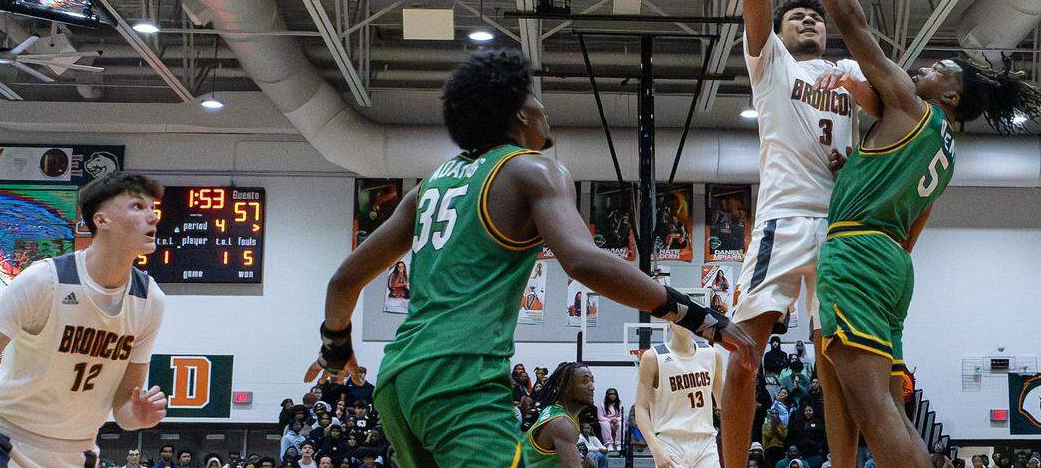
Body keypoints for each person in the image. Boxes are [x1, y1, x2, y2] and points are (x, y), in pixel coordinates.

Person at [305, 50, 754, 468]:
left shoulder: (428, 188)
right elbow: (584, 262)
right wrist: (700, 318)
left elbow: (343, 281)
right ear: (519, 111)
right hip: (459, 379)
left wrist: (334, 350)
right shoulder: (531, 169)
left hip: (396, 379)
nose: (545, 109)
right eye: (537, 98)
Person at [763, 0, 1041, 468]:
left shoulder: (912, 105)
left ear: (952, 93)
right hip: (894, 267)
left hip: (858, 254)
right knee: (881, 398)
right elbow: (916, 226)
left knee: (873, 412)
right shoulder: (943, 151)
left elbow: (851, 20)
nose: (924, 67)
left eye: (938, 68)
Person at [721, 0, 883, 468]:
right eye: (798, 16)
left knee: (836, 367)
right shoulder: (771, 66)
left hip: (842, 230)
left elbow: (886, 105)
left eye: (814, 16)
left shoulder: (846, 71)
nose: (810, 19)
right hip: (785, 221)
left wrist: (862, 89)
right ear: (778, 34)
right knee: (743, 353)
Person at [0, 172, 169, 468]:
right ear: (101, 220)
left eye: (152, 208)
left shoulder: (149, 300)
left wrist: (138, 416)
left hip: (78, 452)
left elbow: (123, 408)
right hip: (6, 443)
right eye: (137, 206)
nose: (153, 217)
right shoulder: (45, 281)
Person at [636, 322, 727, 468]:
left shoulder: (712, 354)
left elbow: (724, 405)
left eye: (688, 316)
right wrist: (655, 448)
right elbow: (640, 408)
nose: (683, 320)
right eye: (677, 315)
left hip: (706, 443)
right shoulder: (653, 357)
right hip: (670, 443)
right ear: (668, 320)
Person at [519, 362, 594, 468]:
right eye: (585, 381)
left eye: (592, 381)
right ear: (565, 387)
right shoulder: (561, 423)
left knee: (590, 462)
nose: (592, 387)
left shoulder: (562, 413)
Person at [595, 388, 622, 453]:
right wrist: (610, 420)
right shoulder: (602, 404)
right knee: (605, 424)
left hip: (616, 421)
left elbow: (621, 416)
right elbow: (600, 416)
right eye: (610, 394)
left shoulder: (619, 404)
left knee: (621, 424)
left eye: (614, 394)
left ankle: (618, 443)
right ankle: (609, 444)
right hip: (606, 420)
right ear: (607, 395)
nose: (612, 396)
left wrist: (616, 419)